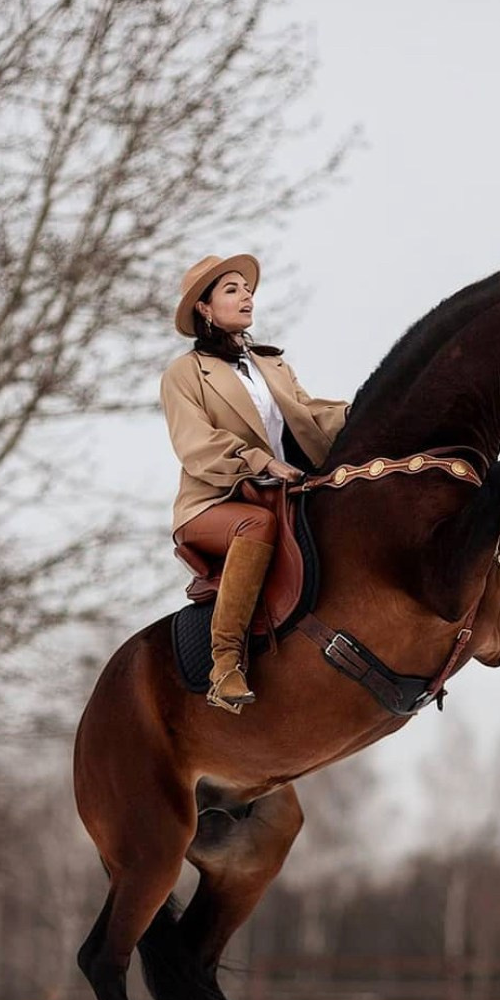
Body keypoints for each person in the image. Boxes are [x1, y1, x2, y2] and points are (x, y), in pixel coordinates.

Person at [161, 254, 349, 713]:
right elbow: (196, 446)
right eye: (231, 289)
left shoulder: (271, 364)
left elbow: (310, 417)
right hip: (213, 503)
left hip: (280, 494)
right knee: (255, 525)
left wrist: (367, 410)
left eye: (247, 288)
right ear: (204, 309)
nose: (247, 295)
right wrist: (259, 460)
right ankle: (225, 663)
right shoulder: (184, 374)